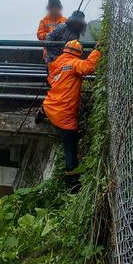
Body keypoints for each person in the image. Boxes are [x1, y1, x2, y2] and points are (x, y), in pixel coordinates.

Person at [42, 39, 101, 175]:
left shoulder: (56, 63)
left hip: (50, 105)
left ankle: (41, 114)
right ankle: (71, 175)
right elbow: (89, 67)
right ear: (79, 53)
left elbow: (50, 80)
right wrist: (97, 51)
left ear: (65, 49)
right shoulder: (74, 63)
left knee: (50, 104)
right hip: (64, 115)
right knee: (70, 148)